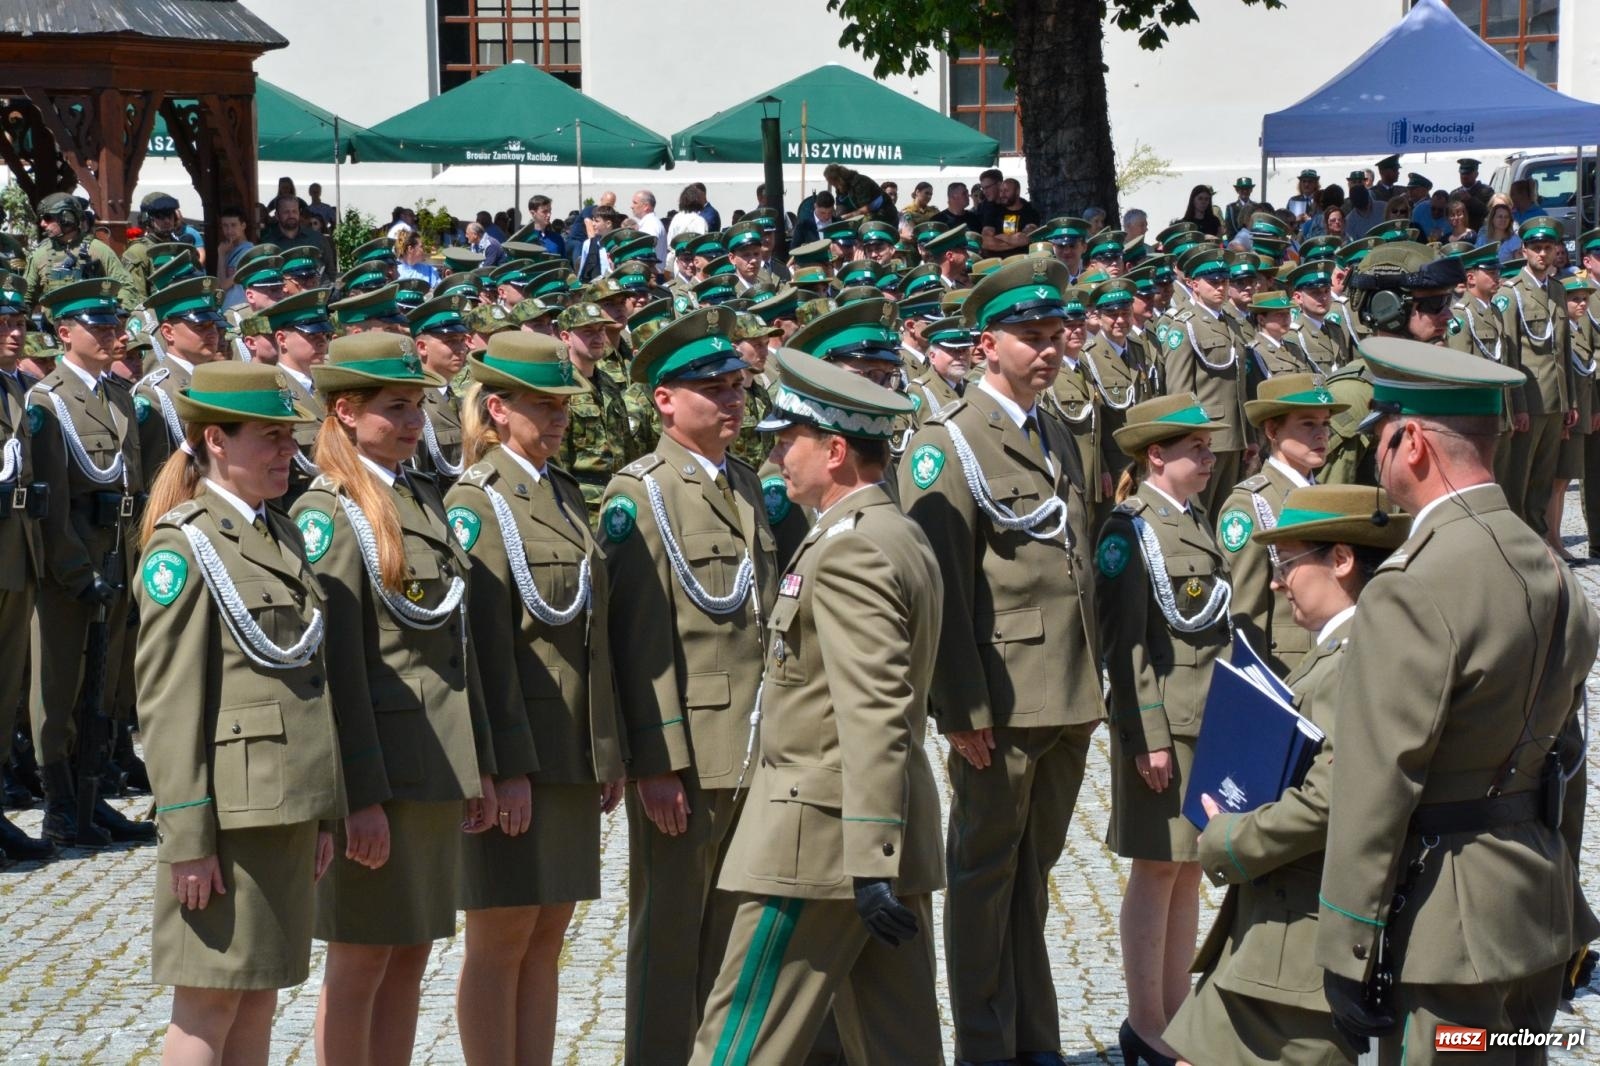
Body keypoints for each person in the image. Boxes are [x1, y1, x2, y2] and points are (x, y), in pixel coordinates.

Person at [1313, 337, 1598, 1063]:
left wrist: (1347, 942)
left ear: (1411, 443)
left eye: (1380, 435)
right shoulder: (1553, 569)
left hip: (1444, 926)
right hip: (1534, 903)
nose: (1374, 453)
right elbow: (1567, 761)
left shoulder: (1411, 586)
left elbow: (1377, 780)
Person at [688, 349, 944, 1066]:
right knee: (898, 1047)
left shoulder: (850, 549)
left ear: (834, 451)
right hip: (869, 832)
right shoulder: (892, 530)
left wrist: (869, 855)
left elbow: (874, 706)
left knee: (738, 1043)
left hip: (823, 838)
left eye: (787, 442)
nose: (775, 458)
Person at [900, 256, 1100, 1066]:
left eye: (1055, 335)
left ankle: (1033, 1039)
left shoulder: (1056, 428)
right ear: (985, 344)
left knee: (1031, 877)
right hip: (1003, 700)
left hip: (1069, 691)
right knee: (983, 880)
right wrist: (962, 707)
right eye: (1030, 337)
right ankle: (986, 1046)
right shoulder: (946, 443)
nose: (1048, 350)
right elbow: (941, 586)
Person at [291, 332, 499, 1066]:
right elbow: (337, 670)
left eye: (417, 406)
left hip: (433, 762)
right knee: (360, 961)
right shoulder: (331, 512)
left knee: (410, 953)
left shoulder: (413, 494)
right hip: (382, 770)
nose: (414, 422)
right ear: (346, 412)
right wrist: (358, 797)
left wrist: (474, 766)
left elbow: (453, 646)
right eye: (396, 407)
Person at [134, 362, 342, 1065]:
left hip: (284, 805)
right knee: (208, 1003)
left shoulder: (279, 533)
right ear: (216, 440)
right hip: (229, 817)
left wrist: (323, 814)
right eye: (269, 437)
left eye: (290, 436)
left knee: (258, 995)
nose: (288, 451)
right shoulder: (186, 543)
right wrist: (187, 837)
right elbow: (168, 701)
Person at [1165, 484, 1411, 1066]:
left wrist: (1229, 838)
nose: (1276, 582)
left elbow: (1331, 799)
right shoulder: (1342, 649)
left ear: (1342, 560)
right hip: (1270, 940)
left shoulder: (1355, 659)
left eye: (1288, 563)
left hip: (1295, 952)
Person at [599, 308, 778, 1066]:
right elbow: (636, 641)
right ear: (666, 401)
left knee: (734, 934)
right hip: (693, 754)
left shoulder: (744, 482)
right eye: (715, 389)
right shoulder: (640, 493)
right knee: (670, 938)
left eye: (737, 386)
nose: (734, 400)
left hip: (757, 745)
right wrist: (657, 761)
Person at [444, 332, 627, 1066]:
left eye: (563, 406)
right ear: (498, 408)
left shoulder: (560, 491)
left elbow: (589, 637)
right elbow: (483, 650)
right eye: (543, 404)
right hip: (522, 753)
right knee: (501, 939)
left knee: (548, 937)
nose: (559, 418)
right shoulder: (476, 501)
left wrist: (606, 748)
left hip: (569, 750)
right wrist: (504, 766)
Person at [1095, 393, 1233, 1066]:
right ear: (1156, 455)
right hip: (1164, 728)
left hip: (1203, 718)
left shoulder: (1193, 518)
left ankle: (1176, 1015)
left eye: (1208, 447)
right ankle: (1145, 1023)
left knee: (1187, 868)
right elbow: (1124, 646)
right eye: (1195, 449)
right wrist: (1145, 736)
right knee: (1156, 868)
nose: (1209, 458)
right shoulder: (1130, 530)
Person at [25, 279, 155, 848]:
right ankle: (59, 804)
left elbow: (134, 485)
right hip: (72, 564)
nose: (111, 335)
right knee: (60, 684)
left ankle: (90, 793)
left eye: (114, 325)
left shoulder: (118, 396)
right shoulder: (49, 401)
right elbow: (51, 503)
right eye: (97, 327)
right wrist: (78, 572)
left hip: (119, 552)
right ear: (64, 333)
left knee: (104, 685)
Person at [1215, 373, 1345, 676]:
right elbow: (1244, 615)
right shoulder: (1251, 505)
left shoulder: (1324, 496)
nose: (1322, 434)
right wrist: (1255, 686)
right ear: (1273, 430)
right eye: (1308, 424)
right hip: (1284, 669)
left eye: (1325, 423)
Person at [1320, 243, 1464, 487]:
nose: (1448, 315)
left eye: (1448, 301)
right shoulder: (1353, 397)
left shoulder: (1432, 382)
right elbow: (1328, 502)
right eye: (1435, 304)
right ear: (1389, 307)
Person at [0, 275, 49, 861]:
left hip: (18, 552)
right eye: (4, 325)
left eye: (18, 324)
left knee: (7, 682)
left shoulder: (19, 388)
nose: (15, 334)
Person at [1499, 216, 1574, 536]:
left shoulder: (1557, 289)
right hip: (1529, 400)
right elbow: (1510, 354)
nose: (1542, 254)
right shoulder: (1512, 292)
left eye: (1548, 247)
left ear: (1556, 250)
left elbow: (1564, 350)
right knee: (1519, 476)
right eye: (1536, 248)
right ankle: (1517, 540)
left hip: (1555, 399)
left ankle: (1539, 537)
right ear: (1524, 252)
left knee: (1544, 477)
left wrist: (1569, 401)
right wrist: (1517, 405)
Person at [1160, 246, 1249, 517]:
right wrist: (1189, 440)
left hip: (1235, 435)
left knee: (1228, 512)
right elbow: (1179, 391)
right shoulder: (1183, 325)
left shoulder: (1232, 322)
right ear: (1193, 283)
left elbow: (1239, 384)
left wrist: (1249, 435)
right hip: (1206, 437)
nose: (1220, 287)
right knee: (1200, 513)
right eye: (1213, 281)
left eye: (1225, 280)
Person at [23, 193, 133, 310]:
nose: (43, 224)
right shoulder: (40, 254)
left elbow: (125, 286)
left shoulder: (99, 250)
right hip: (53, 321)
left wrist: (120, 312)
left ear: (67, 218)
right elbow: (26, 297)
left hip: (92, 319)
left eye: (48, 218)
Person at [406, 294, 471, 484]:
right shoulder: (414, 404)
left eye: (462, 339)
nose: (461, 348)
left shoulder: (460, 399)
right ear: (421, 347)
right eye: (450, 341)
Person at [979, 178, 1040, 257]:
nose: (1002, 195)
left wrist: (1000, 237)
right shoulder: (994, 210)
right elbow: (985, 242)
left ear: (1017, 191)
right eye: (1001, 191)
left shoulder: (1029, 211)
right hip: (997, 261)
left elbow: (1025, 238)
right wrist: (1014, 241)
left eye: (1006, 191)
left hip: (1021, 259)